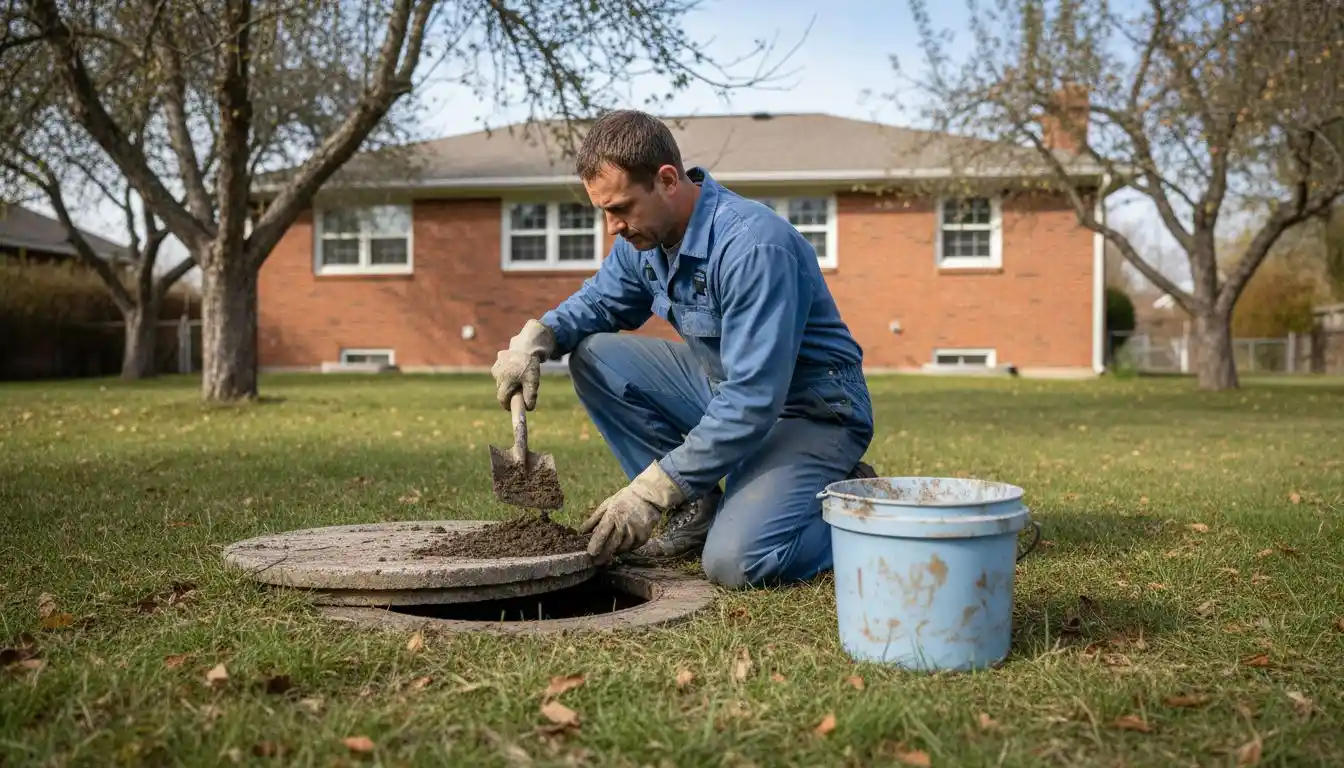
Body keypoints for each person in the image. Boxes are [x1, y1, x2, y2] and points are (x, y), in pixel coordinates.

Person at [490, 109, 875, 589]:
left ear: (667, 180)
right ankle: (695, 508)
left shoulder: (753, 247)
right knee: (595, 357)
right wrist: (537, 338)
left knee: (736, 562)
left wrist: (651, 492)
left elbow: (754, 400)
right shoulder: (645, 242)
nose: (612, 226)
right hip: (724, 391)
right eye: (604, 211)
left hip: (810, 412)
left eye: (621, 208)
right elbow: (597, 303)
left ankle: (851, 505)